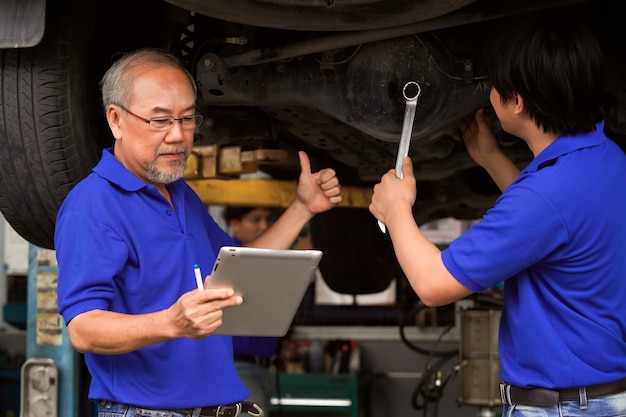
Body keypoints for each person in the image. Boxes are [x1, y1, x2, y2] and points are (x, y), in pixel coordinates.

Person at [55, 48, 342, 417]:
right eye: (159, 121)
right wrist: (170, 323)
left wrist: (302, 208)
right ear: (116, 120)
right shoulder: (92, 206)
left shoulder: (181, 194)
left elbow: (240, 268)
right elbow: (84, 329)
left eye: (188, 118)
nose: (178, 135)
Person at [369, 16, 626, 417]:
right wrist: (491, 159)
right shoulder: (607, 160)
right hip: (600, 396)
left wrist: (396, 208)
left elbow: (433, 285)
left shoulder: (545, 196)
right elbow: (556, 226)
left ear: (517, 102)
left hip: (563, 408)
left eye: (493, 86)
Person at [223, 206, 281, 416]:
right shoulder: (227, 259)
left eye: (268, 219)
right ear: (234, 222)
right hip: (237, 369)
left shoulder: (271, 259)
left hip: (262, 369)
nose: (264, 226)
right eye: (255, 219)